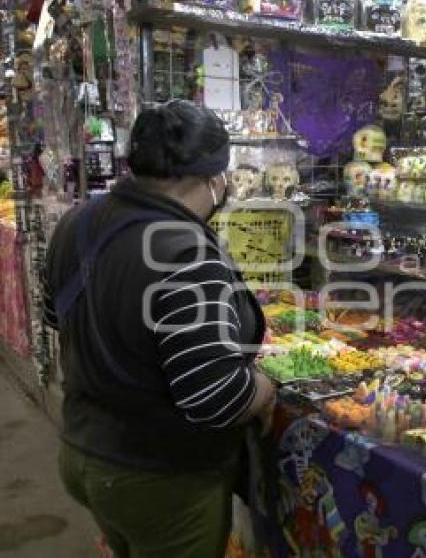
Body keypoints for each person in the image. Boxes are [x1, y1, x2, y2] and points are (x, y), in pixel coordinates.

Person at [41, 100, 277, 558]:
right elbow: (214, 398)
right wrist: (263, 389)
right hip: (158, 477)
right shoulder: (187, 252)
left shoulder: (77, 222)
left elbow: (56, 319)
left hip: (83, 453)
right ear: (215, 179)